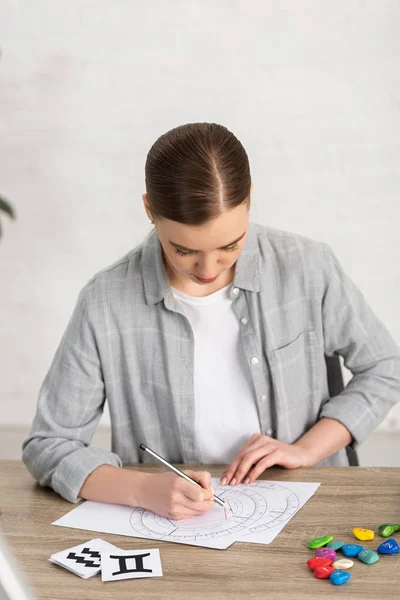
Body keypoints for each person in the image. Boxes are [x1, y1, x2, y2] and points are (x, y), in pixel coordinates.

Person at [22, 122, 400, 521]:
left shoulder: (307, 268)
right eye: (183, 250)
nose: (208, 268)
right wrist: (142, 488)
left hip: (309, 513)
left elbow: (384, 368)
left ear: (249, 199)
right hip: (174, 527)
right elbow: (49, 445)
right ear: (150, 209)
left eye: (230, 246)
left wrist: (305, 449)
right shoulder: (105, 302)